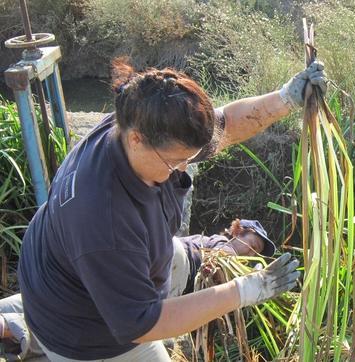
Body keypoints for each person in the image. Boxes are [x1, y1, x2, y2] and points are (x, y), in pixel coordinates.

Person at [0, 57, 326, 361]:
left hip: (67, 262)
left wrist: (286, 98)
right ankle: (29, 328)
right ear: (137, 140)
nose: (184, 168)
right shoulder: (104, 219)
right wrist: (247, 289)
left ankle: (26, 314)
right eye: (174, 162)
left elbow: (225, 124)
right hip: (86, 330)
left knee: (180, 258)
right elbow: (141, 323)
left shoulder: (139, 119)